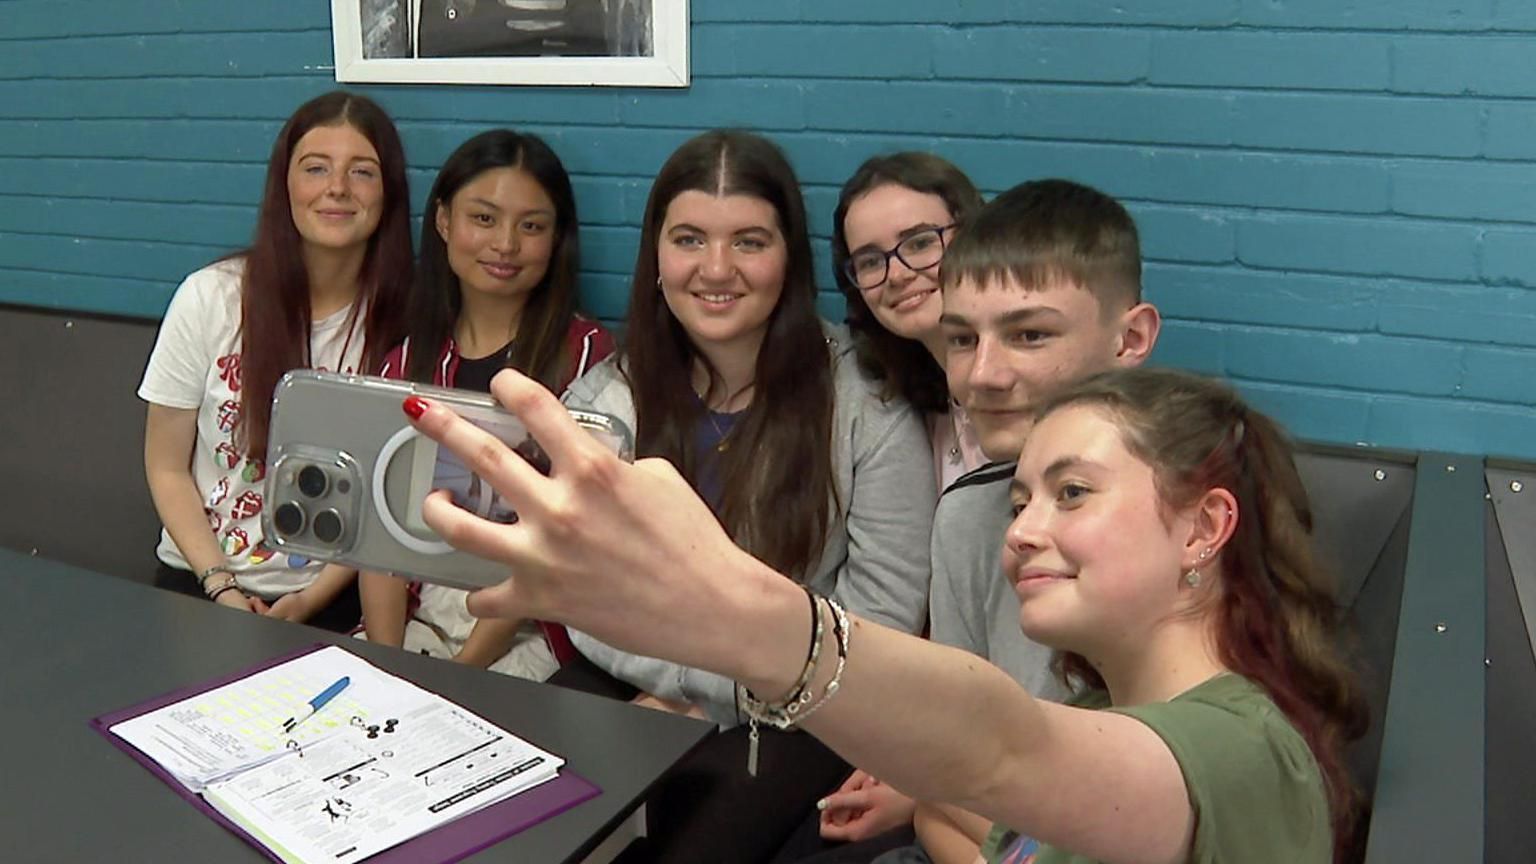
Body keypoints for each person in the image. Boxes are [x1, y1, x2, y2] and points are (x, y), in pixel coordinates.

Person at [399, 363, 1369, 864]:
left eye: (1072, 493)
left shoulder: (1248, 750)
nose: (1023, 530)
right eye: (1021, 499)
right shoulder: (1120, 729)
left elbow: (1003, 748)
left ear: (1206, 527)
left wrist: (737, 614)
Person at [556, 129, 937, 862]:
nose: (717, 268)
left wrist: (709, 696)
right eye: (690, 239)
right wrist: (682, 687)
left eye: (750, 242)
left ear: (788, 256)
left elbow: (878, 621)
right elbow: (577, 589)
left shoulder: (868, 405)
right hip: (626, 678)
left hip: (803, 710)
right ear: (657, 257)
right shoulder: (608, 397)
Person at [796, 179, 1164, 864]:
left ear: (1130, 338)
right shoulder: (966, 515)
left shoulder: (1181, 521)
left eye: (1029, 334)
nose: (984, 374)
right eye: (962, 339)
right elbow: (947, 782)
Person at [140, 90, 411, 631]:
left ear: (388, 193)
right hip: (201, 582)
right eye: (316, 168)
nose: (337, 188)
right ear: (285, 183)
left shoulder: (407, 320)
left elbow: (392, 496)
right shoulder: (209, 297)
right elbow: (166, 466)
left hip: (336, 598)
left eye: (362, 172)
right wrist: (222, 588)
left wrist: (311, 599)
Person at [358, 129, 612, 681]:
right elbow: (380, 537)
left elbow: (555, 543)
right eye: (484, 218)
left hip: (529, 630)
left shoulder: (590, 360)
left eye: (532, 226)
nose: (506, 244)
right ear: (445, 222)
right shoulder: (405, 363)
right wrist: (387, 661)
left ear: (556, 239)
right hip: (414, 618)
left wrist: (461, 673)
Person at [832, 152, 987, 492]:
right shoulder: (919, 409)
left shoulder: (1024, 396)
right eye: (871, 261)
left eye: (920, 243)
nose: (898, 275)